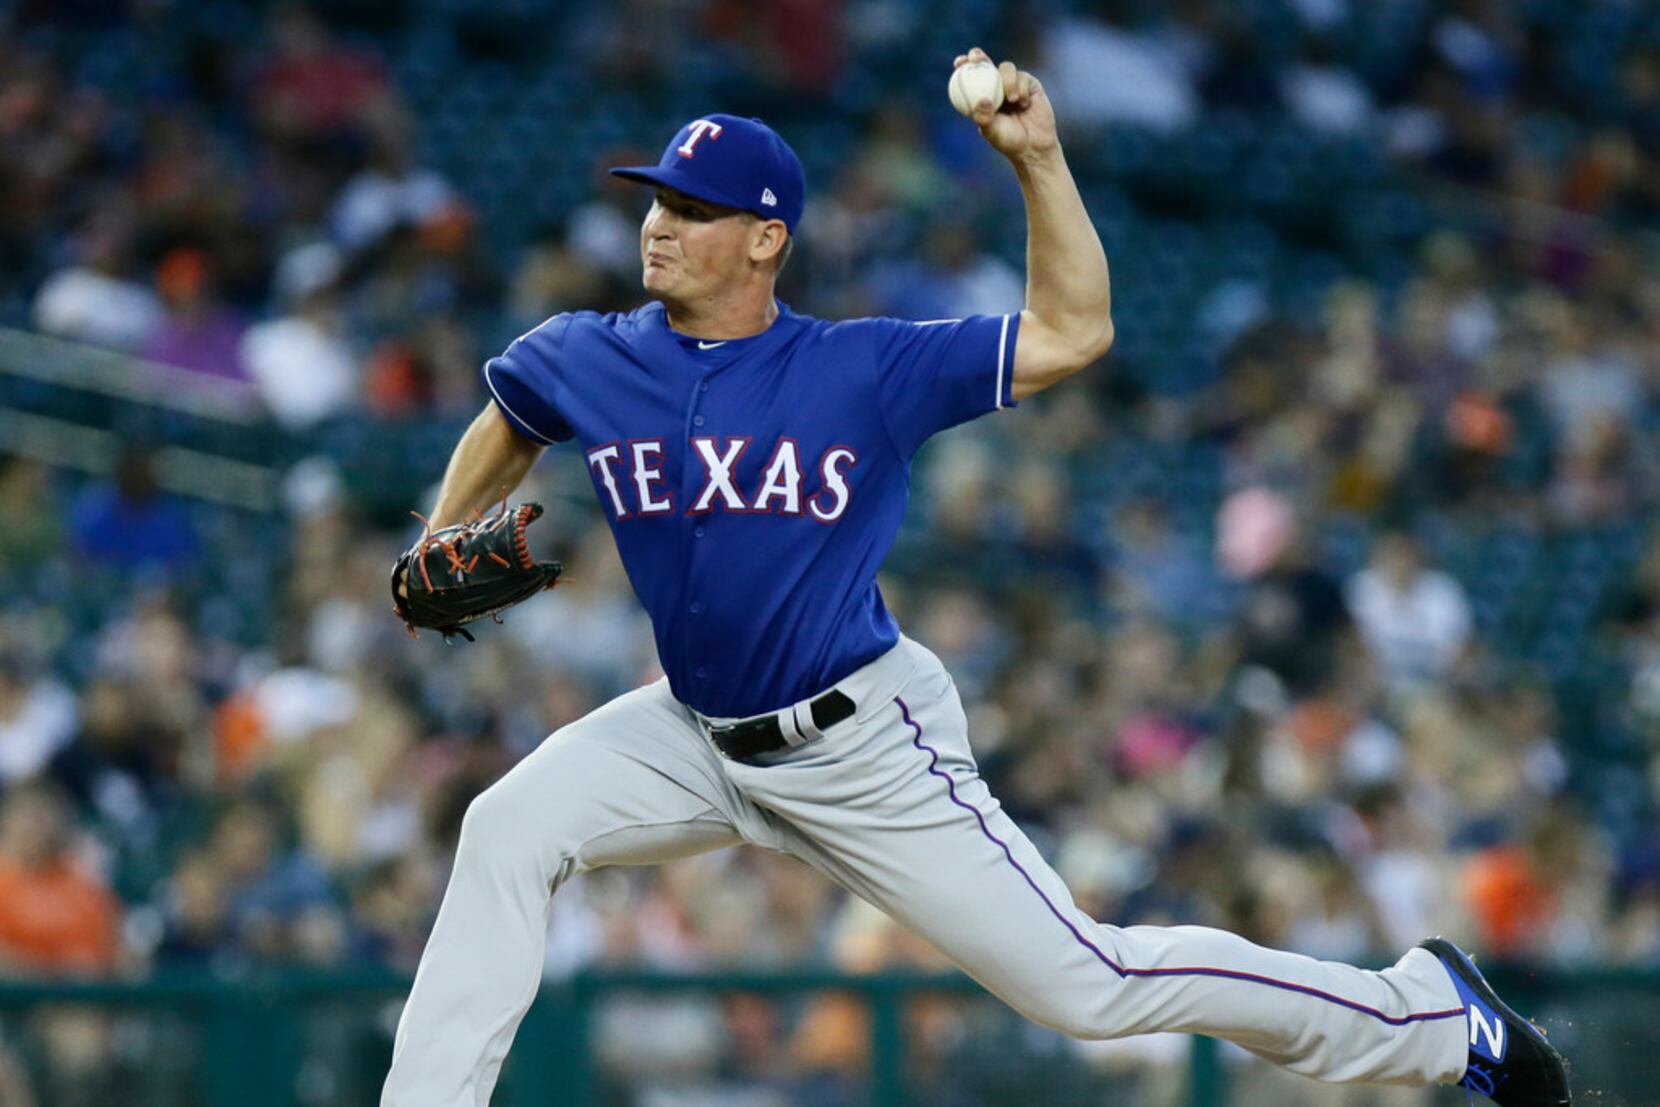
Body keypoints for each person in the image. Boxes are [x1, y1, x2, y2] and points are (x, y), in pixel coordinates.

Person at [382, 50, 1570, 1107]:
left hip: (860, 743)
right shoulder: (591, 354)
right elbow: (513, 410)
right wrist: (444, 533)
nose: (657, 226)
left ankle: (1421, 1016)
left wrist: (1038, 163)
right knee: (506, 827)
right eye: (654, 202)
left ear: (765, 238)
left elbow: (1070, 333)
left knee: (1088, 987)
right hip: (687, 731)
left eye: (693, 210)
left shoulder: (862, 368)